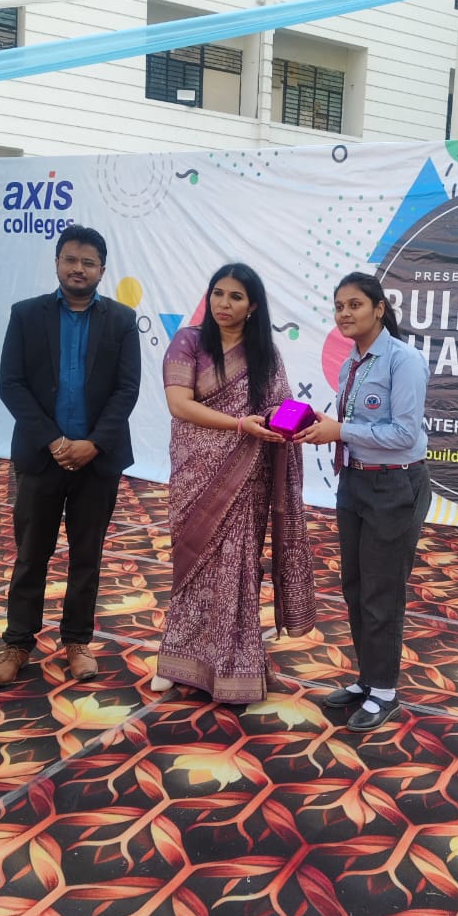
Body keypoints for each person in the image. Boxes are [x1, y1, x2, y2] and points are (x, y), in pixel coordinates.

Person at [0, 225, 141, 686]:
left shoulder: (121, 319)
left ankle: (77, 641)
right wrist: (54, 441)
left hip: (98, 460)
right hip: (41, 456)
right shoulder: (26, 315)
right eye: (71, 259)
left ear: (102, 271)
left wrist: (93, 443)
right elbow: (11, 384)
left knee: (86, 556)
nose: (78, 269)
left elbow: (127, 389)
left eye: (88, 263)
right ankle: (17, 644)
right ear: (57, 263)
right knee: (31, 555)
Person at [156, 263, 315, 702]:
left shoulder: (265, 353)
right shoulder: (188, 342)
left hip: (249, 476)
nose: (223, 304)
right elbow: (179, 405)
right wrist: (240, 424)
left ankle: (235, 664)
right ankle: (177, 657)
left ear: (253, 306)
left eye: (235, 297)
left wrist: (287, 419)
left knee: (239, 570)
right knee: (193, 566)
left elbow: (280, 406)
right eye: (218, 293)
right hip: (196, 474)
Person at [296, 272, 430, 732]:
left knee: (382, 590)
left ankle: (386, 693)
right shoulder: (351, 363)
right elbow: (355, 424)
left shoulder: (403, 360)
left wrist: (341, 430)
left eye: (355, 305)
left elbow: (404, 434)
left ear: (379, 308)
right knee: (355, 587)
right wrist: (325, 425)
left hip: (395, 485)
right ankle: (369, 680)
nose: (345, 314)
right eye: (339, 306)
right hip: (354, 481)